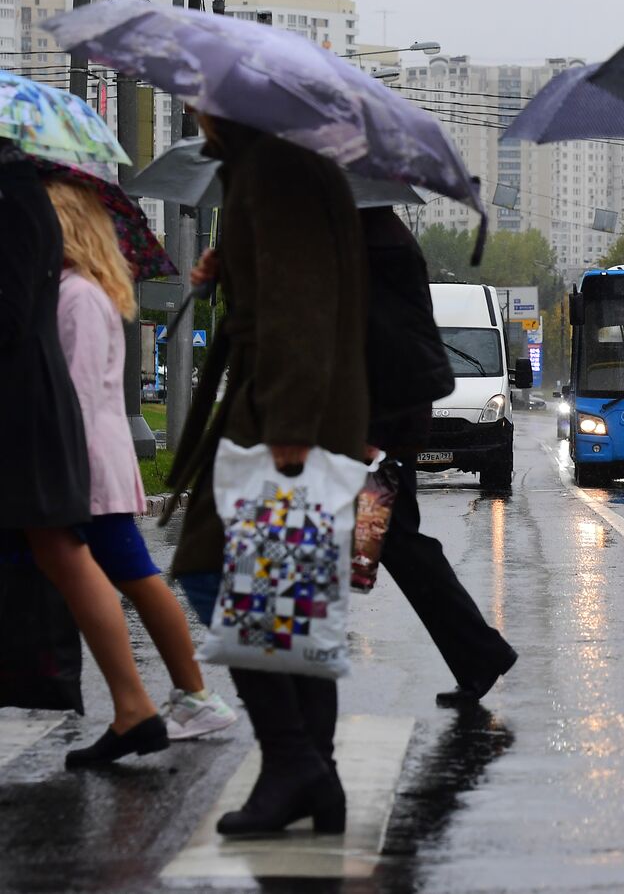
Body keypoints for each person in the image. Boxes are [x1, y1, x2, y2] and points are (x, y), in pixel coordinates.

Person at [165, 115, 367, 836]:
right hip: (304, 412)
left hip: (282, 421)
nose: (191, 112)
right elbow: (290, 286)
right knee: (292, 598)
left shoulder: (274, 168)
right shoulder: (288, 162)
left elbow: (299, 307)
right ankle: (319, 774)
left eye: (196, 100)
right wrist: (233, 267)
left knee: (207, 570)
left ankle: (292, 762)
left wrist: (288, 427)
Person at [45, 177, 237, 742]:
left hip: (84, 465)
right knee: (131, 575)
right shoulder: (79, 289)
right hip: (90, 462)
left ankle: (191, 695)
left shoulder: (77, 295)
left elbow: (75, 393)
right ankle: (186, 694)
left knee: (132, 575)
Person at [0, 141, 168, 768]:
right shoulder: (31, 207)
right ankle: (140, 705)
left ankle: (155, 702)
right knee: (82, 560)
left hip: (59, 436)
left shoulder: (21, 206)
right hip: (68, 437)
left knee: (98, 562)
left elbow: (21, 328)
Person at [361, 206, 518, 706]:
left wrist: (374, 429)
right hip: (380, 422)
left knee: (389, 539)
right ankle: (478, 653)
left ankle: (479, 652)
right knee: (392, 540)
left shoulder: (375, 243)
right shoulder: (376, 235)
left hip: (376, 426)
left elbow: (382, 342)